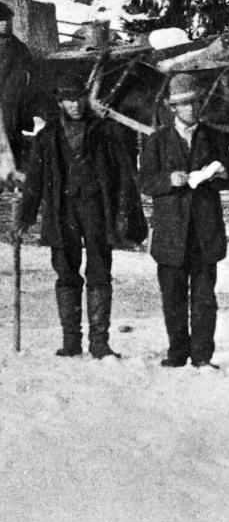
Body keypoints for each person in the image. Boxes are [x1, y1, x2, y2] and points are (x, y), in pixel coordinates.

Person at [18, 79, 141, 359]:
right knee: (65, 273)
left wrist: (127, 214)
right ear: (59, 102)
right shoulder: (47, 137)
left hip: (97, 210)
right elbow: (34, 183)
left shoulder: (106, 131)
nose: (75, 105)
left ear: (87, 98)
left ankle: (99, 342)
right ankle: (70, 341)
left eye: (79, 98)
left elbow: (125, 176)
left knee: (99, 271)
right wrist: (24, 217)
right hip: (62, 213)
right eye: (68, 100)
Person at [138, 75, 229, 369]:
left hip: (205, 231)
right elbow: (144, 181)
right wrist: (168, 180)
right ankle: (177, 352)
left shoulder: (214, 137)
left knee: (205, 299)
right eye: (183, 104)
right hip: (171, 233)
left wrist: (220, 175)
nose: (190, 109)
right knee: (173, 298)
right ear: (172, 108)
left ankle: (203, 355)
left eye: (194, 102)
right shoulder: (156, 141)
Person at [0, 2, 35, 167]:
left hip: (12, 100)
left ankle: (15, 165)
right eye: (1, 20)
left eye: (8, 20)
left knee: (12, 130)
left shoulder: (19, 47)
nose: (5, 24)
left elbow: (28, 71)